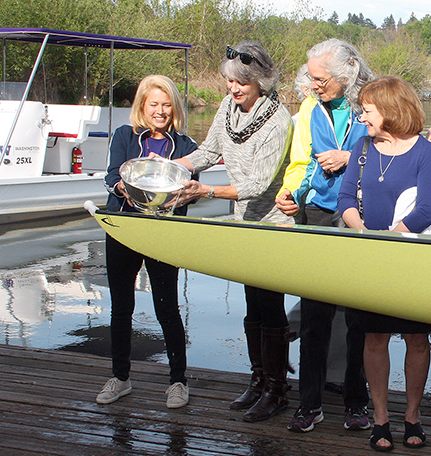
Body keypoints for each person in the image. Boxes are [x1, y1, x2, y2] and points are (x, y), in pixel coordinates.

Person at [173, 41, 294, 422]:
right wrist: (168, 166)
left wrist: (206, 190)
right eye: (229, 81)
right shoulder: (227, 108)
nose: (233, 88)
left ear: (260, 80)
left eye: (241, 82)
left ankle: (278, 389)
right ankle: (258, 380)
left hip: (273, 223)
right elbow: (208, 152)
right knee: (251, 307)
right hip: (243, 221)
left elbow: (259, 183)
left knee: (270, 305)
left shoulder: (278, 119)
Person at [337, 76, 431, 451]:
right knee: (374, 337)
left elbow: (428, 208)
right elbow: (346, 199)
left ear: (389, 110)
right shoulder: (363, 146)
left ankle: (413, 417)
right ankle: (380, 419)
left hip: (412, 260)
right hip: (371, 257)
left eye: (367, 110)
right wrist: (366, 233)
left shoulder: (427, 153)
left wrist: (392, 236)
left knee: (417, 338)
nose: (362, 116)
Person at [275, 39, 375, 433]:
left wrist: (351, 158)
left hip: (361, 214)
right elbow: (300, 162)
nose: (314, 85)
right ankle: (309, 404)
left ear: (347, 71)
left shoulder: (371, 102)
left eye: (321, 79)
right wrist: (292, 194)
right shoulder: (308, 107)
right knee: (315, 315)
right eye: (312, 79)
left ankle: (356, 402)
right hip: (317, 213)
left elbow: (393, 149)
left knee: (356, 316)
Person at [97, 74, 198, 409]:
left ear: (175, 108)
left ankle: (178, 382)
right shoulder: (124, 136)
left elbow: (191, 191)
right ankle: (120, 378)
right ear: (142, 105)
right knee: (121, 306)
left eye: (166, 104)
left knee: (167, 307)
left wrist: (175, 196)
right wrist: (126, 188)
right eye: (154, 104)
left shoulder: (186, 147)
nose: (160, 111)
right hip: (124, 228)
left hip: (163, 234)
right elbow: (112, 175)